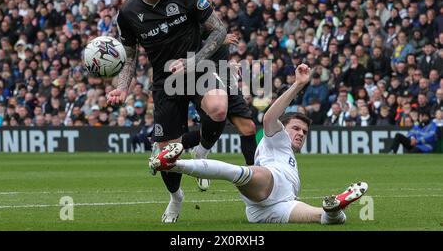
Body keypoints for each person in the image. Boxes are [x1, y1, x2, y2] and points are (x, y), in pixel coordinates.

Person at [150, 64, 368, 224]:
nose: (301, 133)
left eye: (304, 131)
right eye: (296, 128)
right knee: (237, 172)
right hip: (271, 182)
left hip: (269, 208)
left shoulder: (289, 154)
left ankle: (334, 210)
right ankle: (172, 165)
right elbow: (269, 118)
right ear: (283, 128)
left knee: (326, 217)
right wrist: (298, 85)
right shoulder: (278, 138)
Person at [107, 0, 228, 223]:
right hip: (165, 82)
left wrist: (195, 59)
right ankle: (176, 197)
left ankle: (203, 150)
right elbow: (129, 54)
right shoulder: (128, 13)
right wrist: (122, 88)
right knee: (167, 154)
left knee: (219, 109)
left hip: (198, 69)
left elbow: (219, 30)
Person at [179, 0, 258, 191]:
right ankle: (178, 147)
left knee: (248, 128)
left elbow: (220, 53)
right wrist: (217, 42)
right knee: (214, 124)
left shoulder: (216, 20)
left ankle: (255, 177)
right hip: (202, 78)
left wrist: (230, 64)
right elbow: (189, 51)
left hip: (225, 77)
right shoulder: (189, 21)